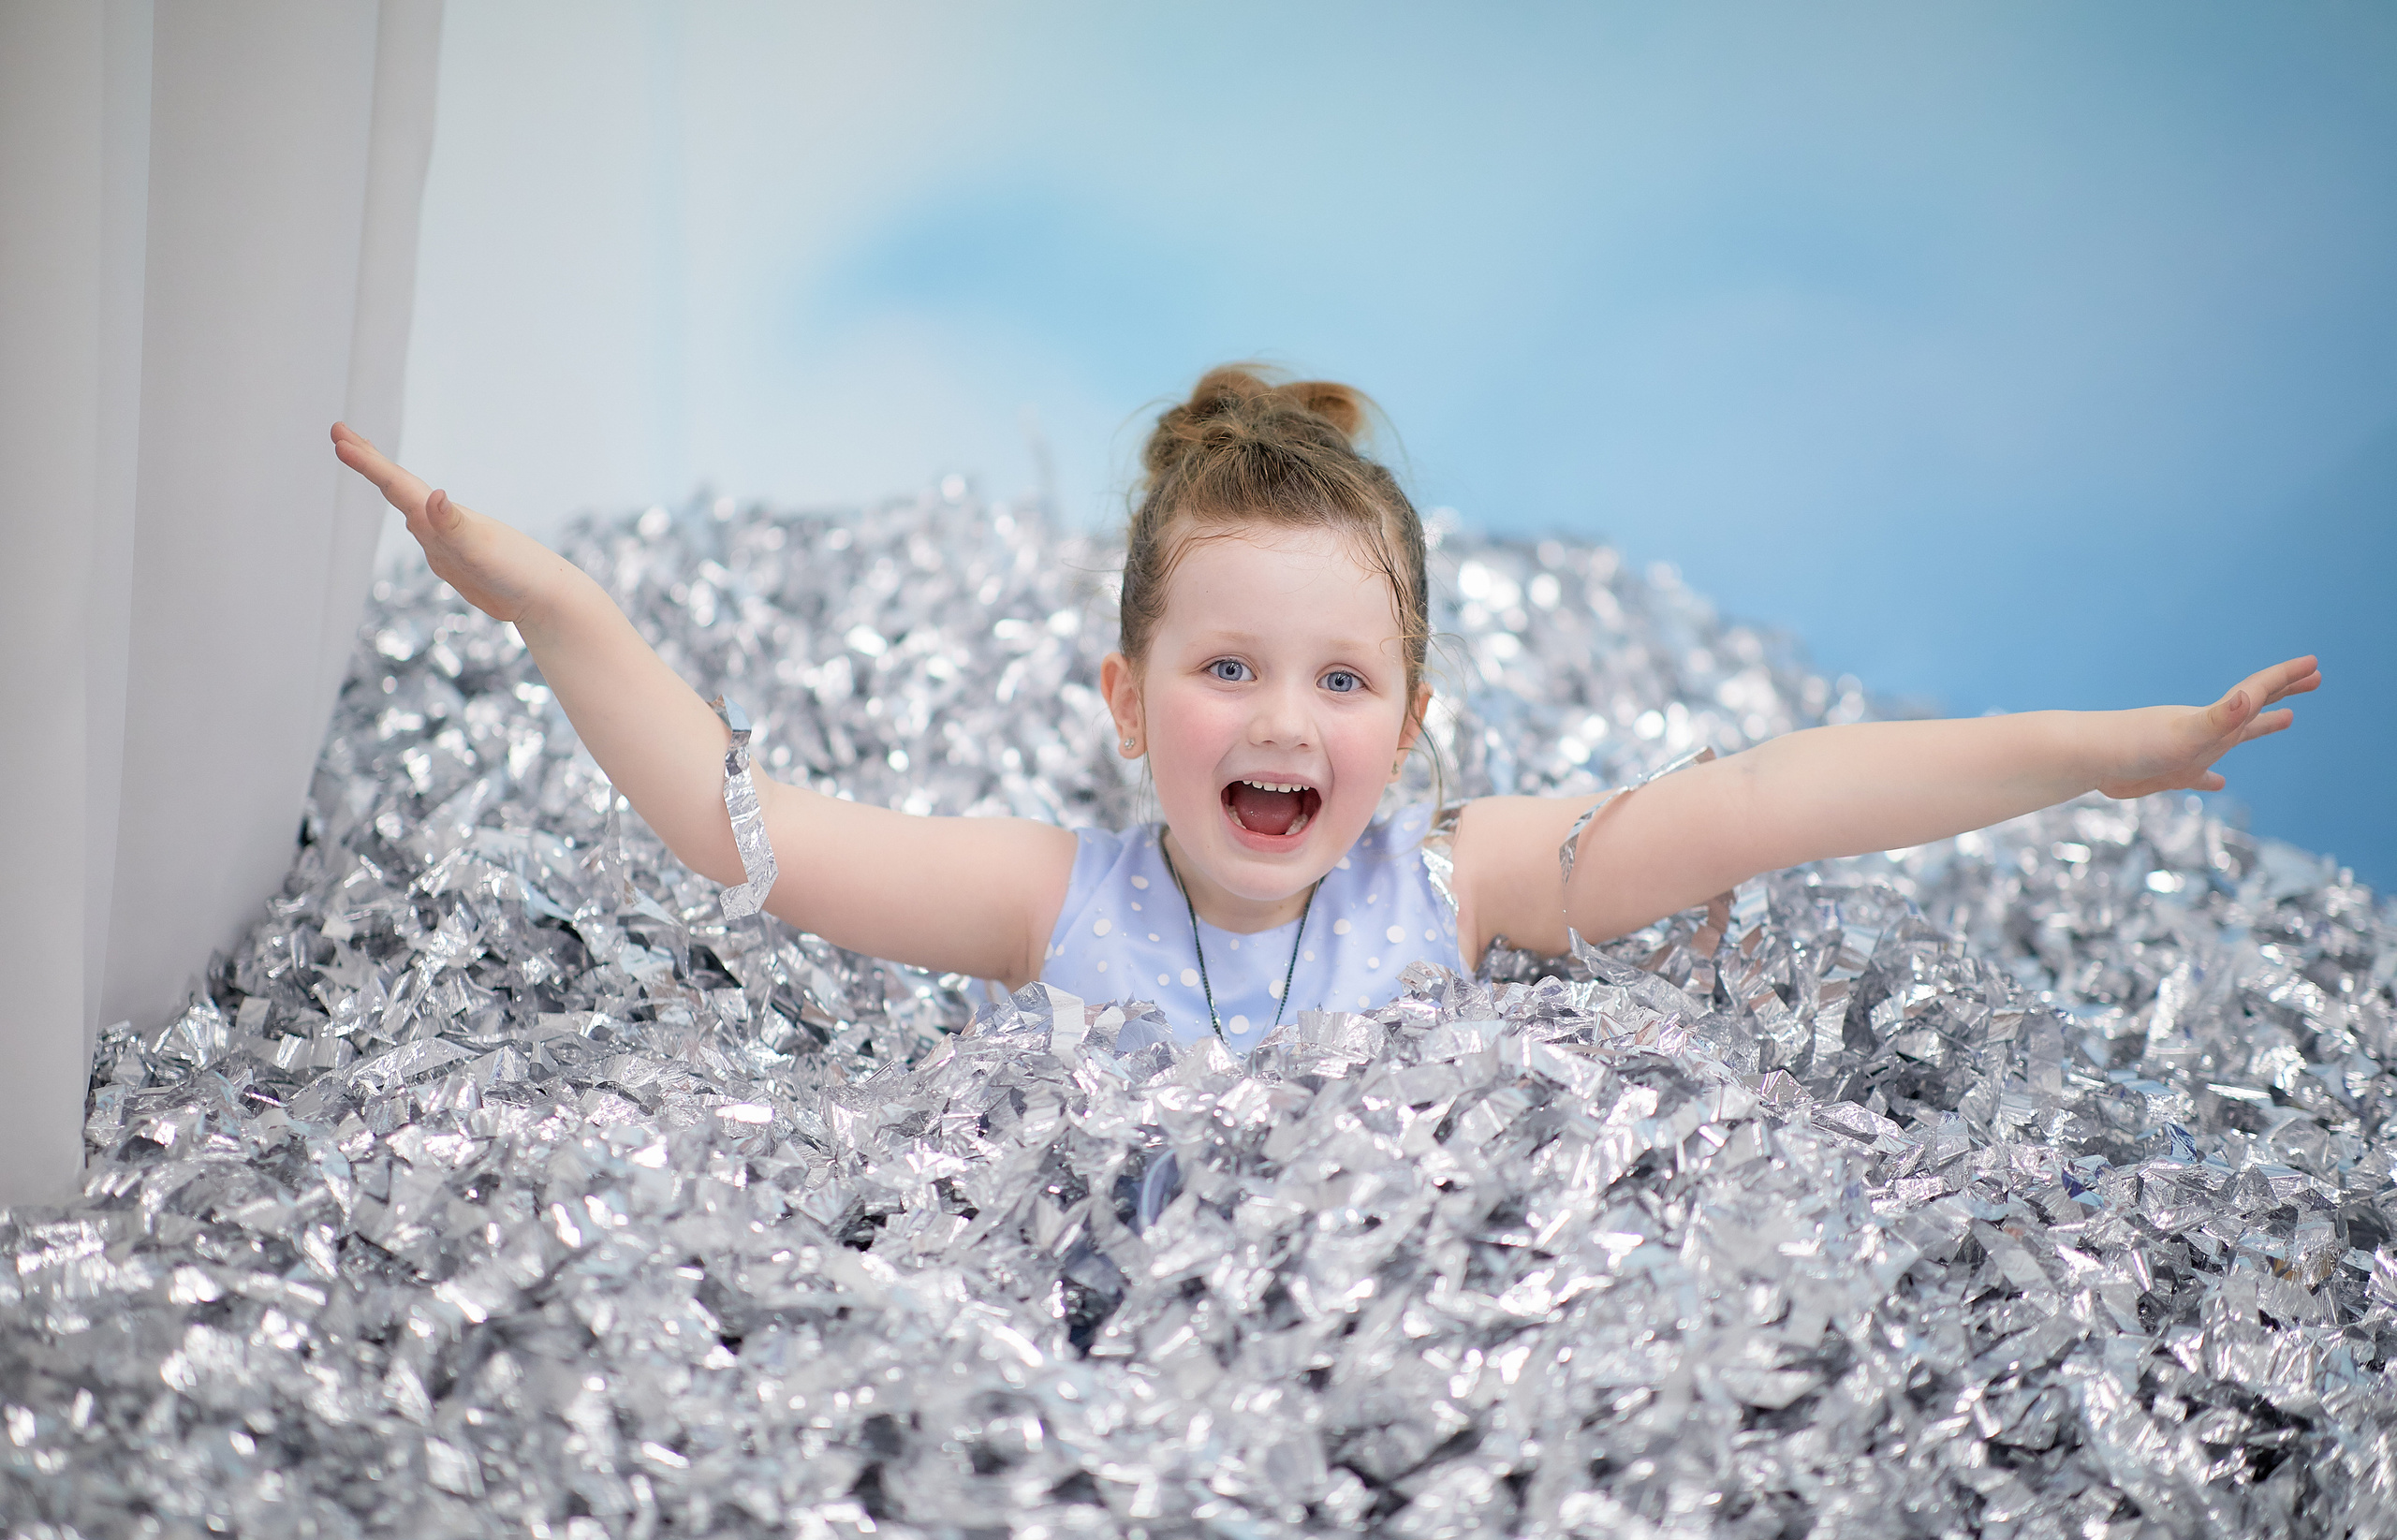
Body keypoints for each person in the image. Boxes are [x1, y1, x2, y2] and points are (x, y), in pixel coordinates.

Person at [331, 366, 2319, 1049]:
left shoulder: (1457, 889)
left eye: (1337, 678)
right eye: (1223, 669)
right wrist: (553, 604)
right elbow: (743, 828)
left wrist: (2111, 752)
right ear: (1128, 701)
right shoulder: (1055, 900)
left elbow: (1780, 794)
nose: (1280, 718)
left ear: (1408, 717)